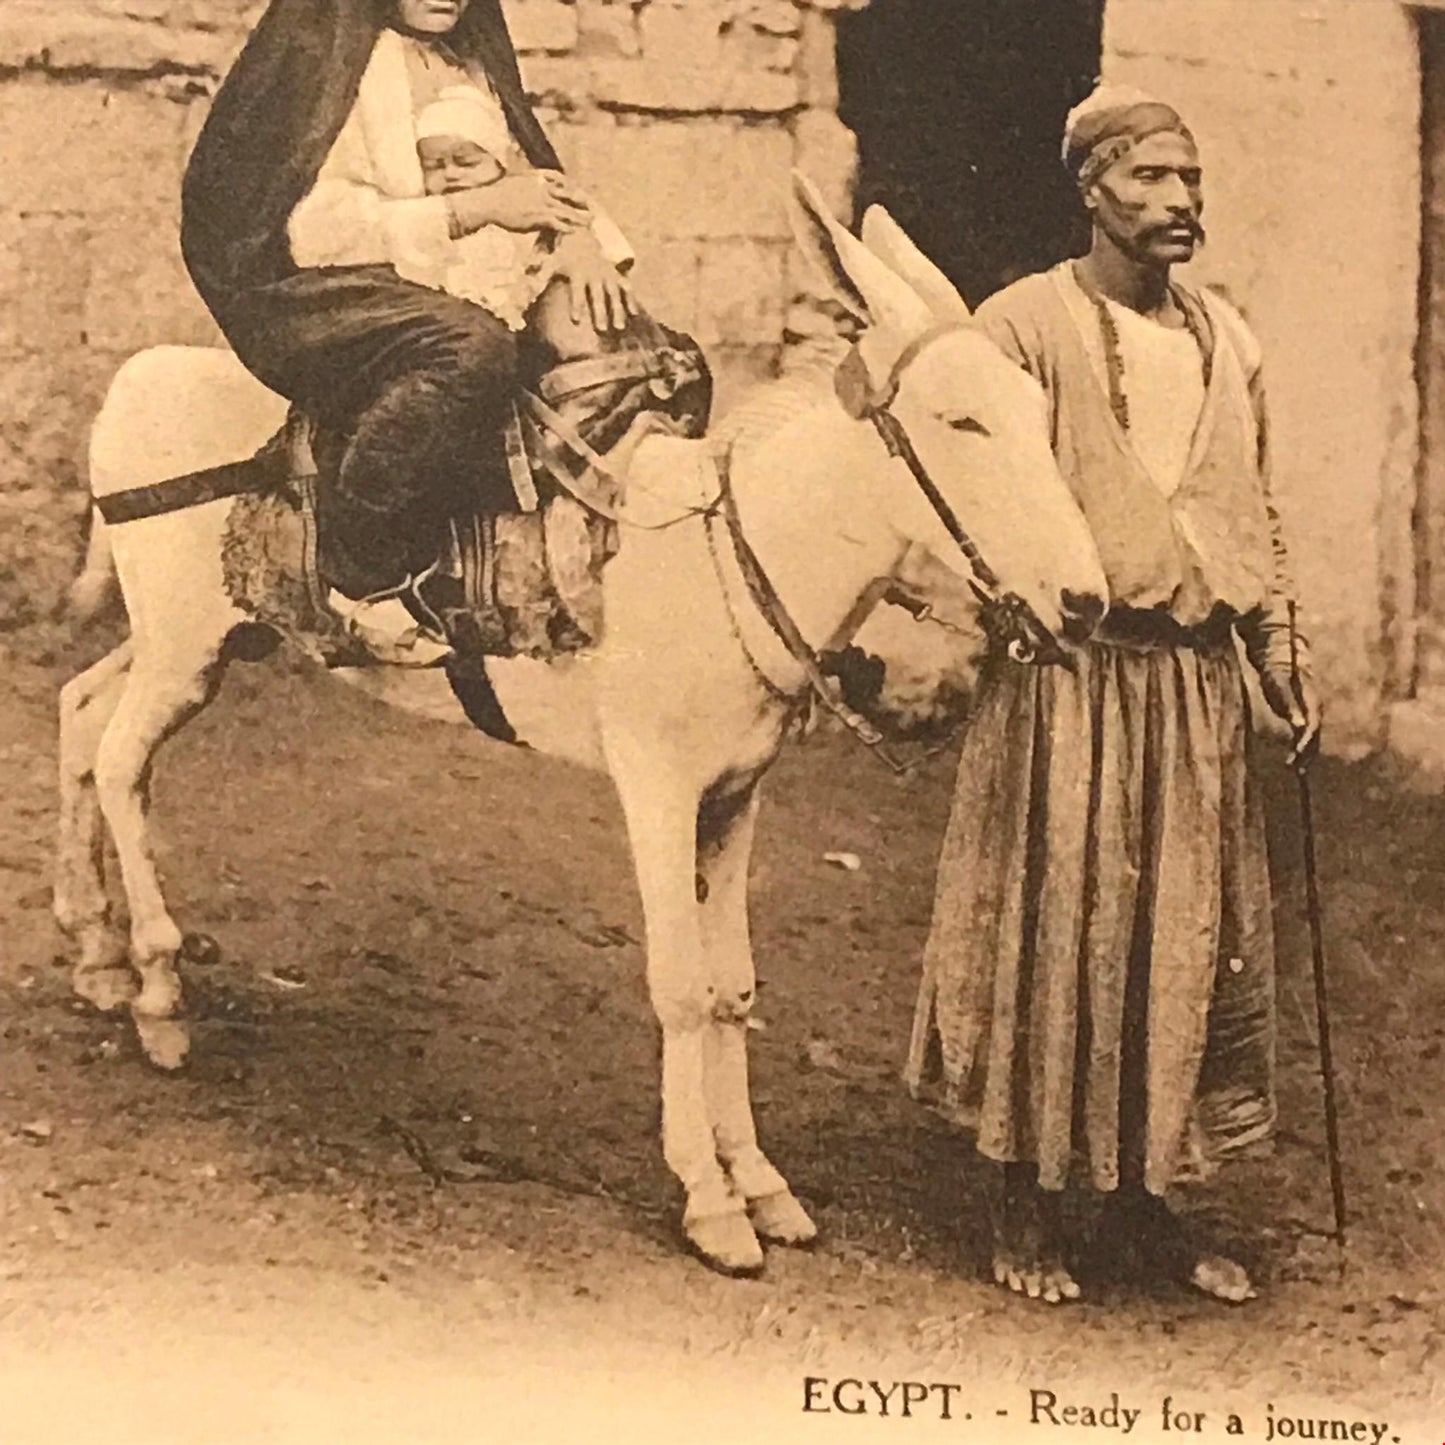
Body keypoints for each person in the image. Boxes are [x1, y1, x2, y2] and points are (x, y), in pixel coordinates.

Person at [905, 84, 1324, 1305]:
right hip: (1067, 685)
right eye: (1147, 179)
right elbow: (961, 490)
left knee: (1176, 941)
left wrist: (1277, 656)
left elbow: (1254, 509)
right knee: (1060, 932)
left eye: (1187, 179)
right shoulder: (1020, 328)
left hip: (1191, 692)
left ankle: (1142, 1201)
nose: (1177, 201)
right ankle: (1024, 1203)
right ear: (1087, 190)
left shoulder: (1224, 340)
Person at [180, 0, 634, 663]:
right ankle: (358, 572)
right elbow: (315, 232)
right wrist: (472, 208)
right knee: (471, 350)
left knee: (648, 349)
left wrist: (581, 242)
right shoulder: (339, 63)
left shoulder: (469, 61)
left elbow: (526, 170)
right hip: (321, 289)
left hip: (467, 281)